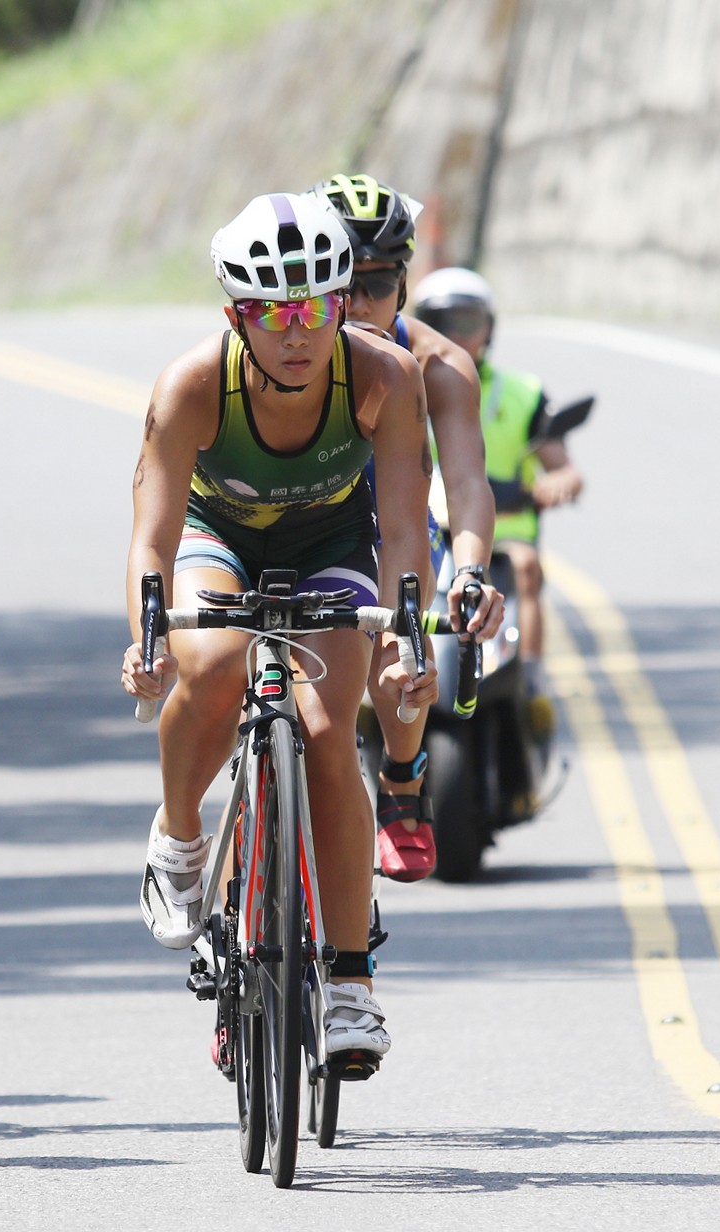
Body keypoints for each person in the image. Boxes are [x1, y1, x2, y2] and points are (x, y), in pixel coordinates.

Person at [121, 192, 438, 1072]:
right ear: (236, 315)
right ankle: (181, 835)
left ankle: (348, 985)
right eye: (273, 312)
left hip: (328, 541)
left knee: (334, 731)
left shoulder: (383, 377)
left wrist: (408, 629)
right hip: (213, 536)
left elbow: (406, 528)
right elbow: (150, 533)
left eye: (315, 307)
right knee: (215, 666)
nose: (297, 333)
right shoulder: (192, 383)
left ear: (342, 303)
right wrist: (147, 632)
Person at [315, 173, 504, 882]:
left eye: (378, 284)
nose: (358, 307)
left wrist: (472, 568)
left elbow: (463, 484)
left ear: (405, 281)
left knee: (396, 652)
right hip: (294, 523)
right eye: (340, 285)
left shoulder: (441, 365)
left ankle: (400, 777)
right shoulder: (286, 347)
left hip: (389, 529)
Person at [410, 266, 585, 667]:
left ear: (489, 329)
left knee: (526, 566)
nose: (454, 334)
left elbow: (563, 468)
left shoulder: (523, 393)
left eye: (467, 321)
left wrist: (559, 483)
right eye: (439, 322)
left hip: (502, 531)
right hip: (424, 529)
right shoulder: (397, 382)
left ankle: (531, 676)